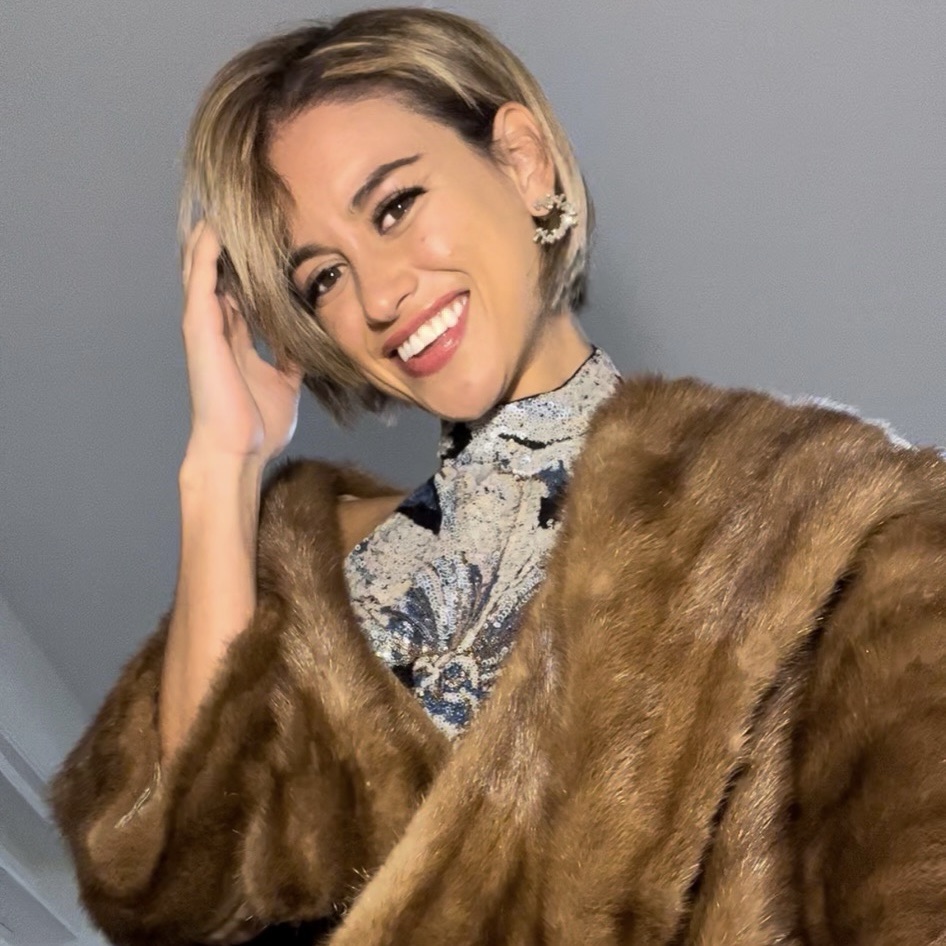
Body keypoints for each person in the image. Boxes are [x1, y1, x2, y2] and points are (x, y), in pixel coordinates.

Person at [51, 8, 946, 946]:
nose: (379, 294)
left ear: (522, 162)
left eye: (395, 207)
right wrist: (223, 465)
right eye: (323, 278)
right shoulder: (303, 571)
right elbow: (168, 890)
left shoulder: (827, 516)